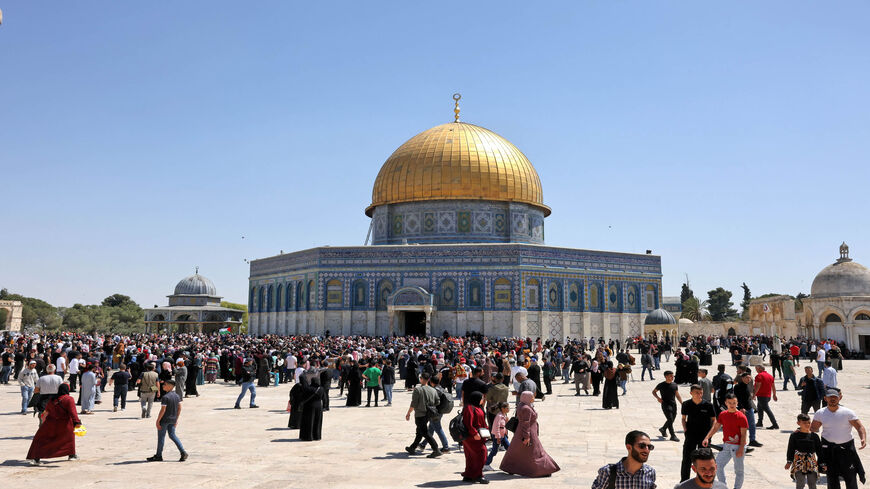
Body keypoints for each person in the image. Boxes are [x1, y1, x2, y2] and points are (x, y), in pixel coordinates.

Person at [811, 388, 867, 489]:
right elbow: (813, 429)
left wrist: (863, 438)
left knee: (850, 478)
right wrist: (800, 431)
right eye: (830, 397)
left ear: (840, 398)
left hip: (846, 450)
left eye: (835, 397)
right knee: (832, 479)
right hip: (829, 451)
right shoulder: (820, 413)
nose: (832, 399)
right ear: (825, 398)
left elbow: (859, 427)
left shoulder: (848, 412)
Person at [499, 390, 560, 478]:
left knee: (517, 450)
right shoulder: (526, 408)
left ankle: (510, 467)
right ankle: (542, 470)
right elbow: (525, 423)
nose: (533, 398)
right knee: (536, 451)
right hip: (528, 432)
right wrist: (526, 436)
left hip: (523, 431)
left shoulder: (522, 405)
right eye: (532, 397)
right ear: (527, 398)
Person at [26, 383, 82, 465]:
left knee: (42, 440)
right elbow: (73, 413)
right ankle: (72, 455)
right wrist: (77, 422)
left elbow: (46, 411)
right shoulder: (69, 399)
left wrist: (43, 422)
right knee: (68, 440)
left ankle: (36, 458)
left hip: (50, 424)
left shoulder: (52, 399)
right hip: (65, 424)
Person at [702, 393, 748, 489]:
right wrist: (707, 437)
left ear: (737, 403)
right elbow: (716, 427)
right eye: (730, 403)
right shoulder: (723, 414)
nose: (732, 405)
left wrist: (741, 448)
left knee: (739, 471)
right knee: (717, 466)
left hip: (737, 446)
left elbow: (744, 435)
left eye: (734, 403)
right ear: (726, 403)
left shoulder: (741, 417)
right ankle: (723, 486)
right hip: (726, 446)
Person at [591, 430, 657, 489]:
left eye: (649, 447)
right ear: (629, 447)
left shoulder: (650, 472)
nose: (646, 450)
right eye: (642, 446)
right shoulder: (608, 472)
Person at [680, 384, 717, 482]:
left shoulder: (708, 405)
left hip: (704, 436)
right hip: (690, 435)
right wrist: (685, 429)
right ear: (691, 393)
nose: (699, 395)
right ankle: (684, 480)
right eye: (697, 393)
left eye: (701, 393)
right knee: (687, 459)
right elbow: (683, 419)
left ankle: (705, 479)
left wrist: (709, 436)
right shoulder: (686, 404)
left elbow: (714, 420)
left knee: (705, 460)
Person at [147, 379, 187, 462]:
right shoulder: (177, 396)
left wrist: (158, 421)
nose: (163, 386)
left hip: (164, 420)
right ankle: (183, 452)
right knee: (172, 435)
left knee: (161, 437)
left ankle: (158, 455)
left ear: (170, 386)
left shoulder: (165, 397)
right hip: (173, 420)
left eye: (165, 384)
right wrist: (176, 419)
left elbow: (163, 410)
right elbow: (179, 408)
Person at [404, 372, 441, 458]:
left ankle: (436, 449)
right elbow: (437, 402)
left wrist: (408, 413)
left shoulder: (418, 390)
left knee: (424, 432)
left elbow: (414, 403)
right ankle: (412, 447)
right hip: (428, 414)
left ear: (421, 379)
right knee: (419, 431)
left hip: (420, 414)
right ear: (428, 380)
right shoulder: (433, 390)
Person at [786, 413, 822, 489]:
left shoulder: (814, 436)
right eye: (804, 423)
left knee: (812, 484)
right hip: (799, 462)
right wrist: (789, 461)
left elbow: (819, 451)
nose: (807, 425)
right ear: (798, 423)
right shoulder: (794, 435)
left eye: (809, 423)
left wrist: (822, 463)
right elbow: (791, 449)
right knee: (800, 484)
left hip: (811, 462)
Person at [460, 390, 489, 483]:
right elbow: (468, 423)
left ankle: (468, 475)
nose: (483, 400)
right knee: (481, 454)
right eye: (482, 398)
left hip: (479, 435)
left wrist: (487, 432)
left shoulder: (479, 407)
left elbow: (483, 422)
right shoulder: (469, 408)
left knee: (471, 456)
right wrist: (474, 433)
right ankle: (478, 475)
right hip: (472, 437)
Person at [734, 372, 761, 448]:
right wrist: (741, 407)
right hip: (742, 409)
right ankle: (740, 442)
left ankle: (752, 440)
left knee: (752, 425)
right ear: (742, 378)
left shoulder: (747, 386)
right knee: (741, 426)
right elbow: (738, 398)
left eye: (749, 378)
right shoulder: (737, 387)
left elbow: (748, 398)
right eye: (747, 378)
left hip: (749, 408)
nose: (748, 379)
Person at [653, 371, 682, 442]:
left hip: (673, 404)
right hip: (665, 404)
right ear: (666, 376)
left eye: (673, 376)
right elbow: (654, 391)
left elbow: (677, 395)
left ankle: (663, 428)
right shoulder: (661, 385)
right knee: (670, 419)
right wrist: (658, 398)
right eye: (670, 376)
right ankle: (672, 435)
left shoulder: (674, 385)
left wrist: (682, 403)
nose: (672, 377)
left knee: (672, 419)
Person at [299, 375, 326, 441]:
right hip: (319, 407)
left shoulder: (309, 389)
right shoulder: (321, 389)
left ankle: (308, 436)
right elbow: (324, 398)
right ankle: (317, 436)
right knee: (317, 421)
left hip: (309, 406)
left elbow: (303, 396)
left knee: (309, 421)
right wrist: (325, 406)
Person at [484, 401, 510, 471]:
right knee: (494, 451)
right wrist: (498, 437)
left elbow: (504, 426)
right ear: (503, 408)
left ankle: (511, 464)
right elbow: (496, 427)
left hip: (503, 435)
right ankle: (486, 464)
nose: (509, 409)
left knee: (509, 448)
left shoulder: (504, 415)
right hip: (497, 435)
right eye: (507, 408)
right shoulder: (499, 416)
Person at [753, 364, 779, 430]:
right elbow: (773, 386)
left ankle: (775, 424)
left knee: (767, 409)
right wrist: (774, 395)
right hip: (767, 396)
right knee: (759, 408)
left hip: (761, 395)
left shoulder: (759, 375)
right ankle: (760, 422)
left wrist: (754, 395)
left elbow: (757, 386)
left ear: (760, 369)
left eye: (756, 368)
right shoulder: (770, 376)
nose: (756, 370)